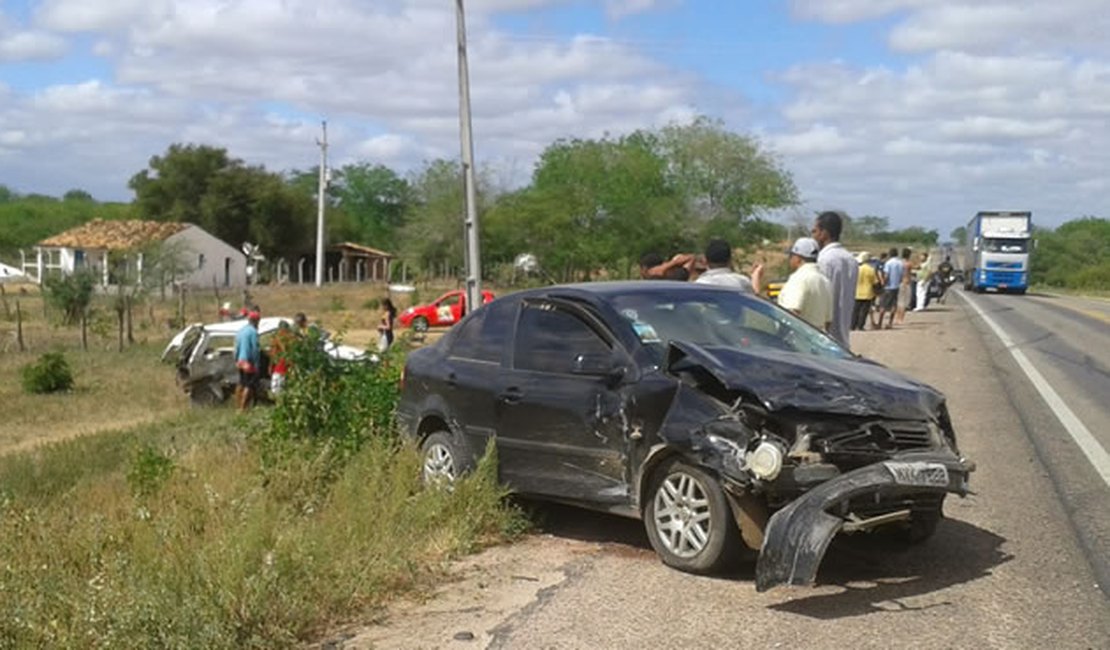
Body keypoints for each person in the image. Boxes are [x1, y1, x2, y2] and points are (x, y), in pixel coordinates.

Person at [812, 211, 858, 350]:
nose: (813, 236)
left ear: (824, 233)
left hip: (826, 338)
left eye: (815, 231)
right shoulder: (851, 259)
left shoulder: (825, 260)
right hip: (843, 334)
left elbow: (821, 299)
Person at [777, 237, 832, 332]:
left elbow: (792, 313)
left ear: (798, 258)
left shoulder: (799, 278)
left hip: (795, 341)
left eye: (791, 255)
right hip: (816, 340)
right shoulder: (826, 281)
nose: (790, 259)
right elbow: (828, 321)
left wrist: (779, 338)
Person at [695, 239, 761, 292]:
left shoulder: (699, 285)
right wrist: (755, 277)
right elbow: (754, 300)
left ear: (705, 260)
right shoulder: (742, 282)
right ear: (730, 260)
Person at [234, 311, 261, 411]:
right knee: (248, 385)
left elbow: (236, 347)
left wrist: (236, 359)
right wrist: (257, 363)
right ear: (256, 321)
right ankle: (243, 408)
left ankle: (238, 405)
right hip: (249, 361)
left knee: (241, 383)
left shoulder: (241, 331)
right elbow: (255, 349)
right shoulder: (253, 332)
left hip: (240, 360)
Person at [877, 247, 903, 329]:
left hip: (888, 286)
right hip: (896, 286)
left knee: (883, 305)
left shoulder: (888, 263)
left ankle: (880, 323)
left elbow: (886, 275)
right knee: (893, 305)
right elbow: (901, 275)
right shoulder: (900, 263)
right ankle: (890, 323)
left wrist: (883, 283)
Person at [853, 252, 879, 331]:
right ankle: (860, 326)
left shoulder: (857, 269)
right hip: (867, 293)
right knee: (864, 311)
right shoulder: (871, 270)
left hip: (857, 292)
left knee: (855, 310)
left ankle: (852, 325)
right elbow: (875, 282)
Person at [896, 247, 914, 324]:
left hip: (898, 282)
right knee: (904, 302)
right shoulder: (909, 264)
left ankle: (897, 318)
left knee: (898, 302)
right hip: (906, 282)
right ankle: (901, 319)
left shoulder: (899, 263)